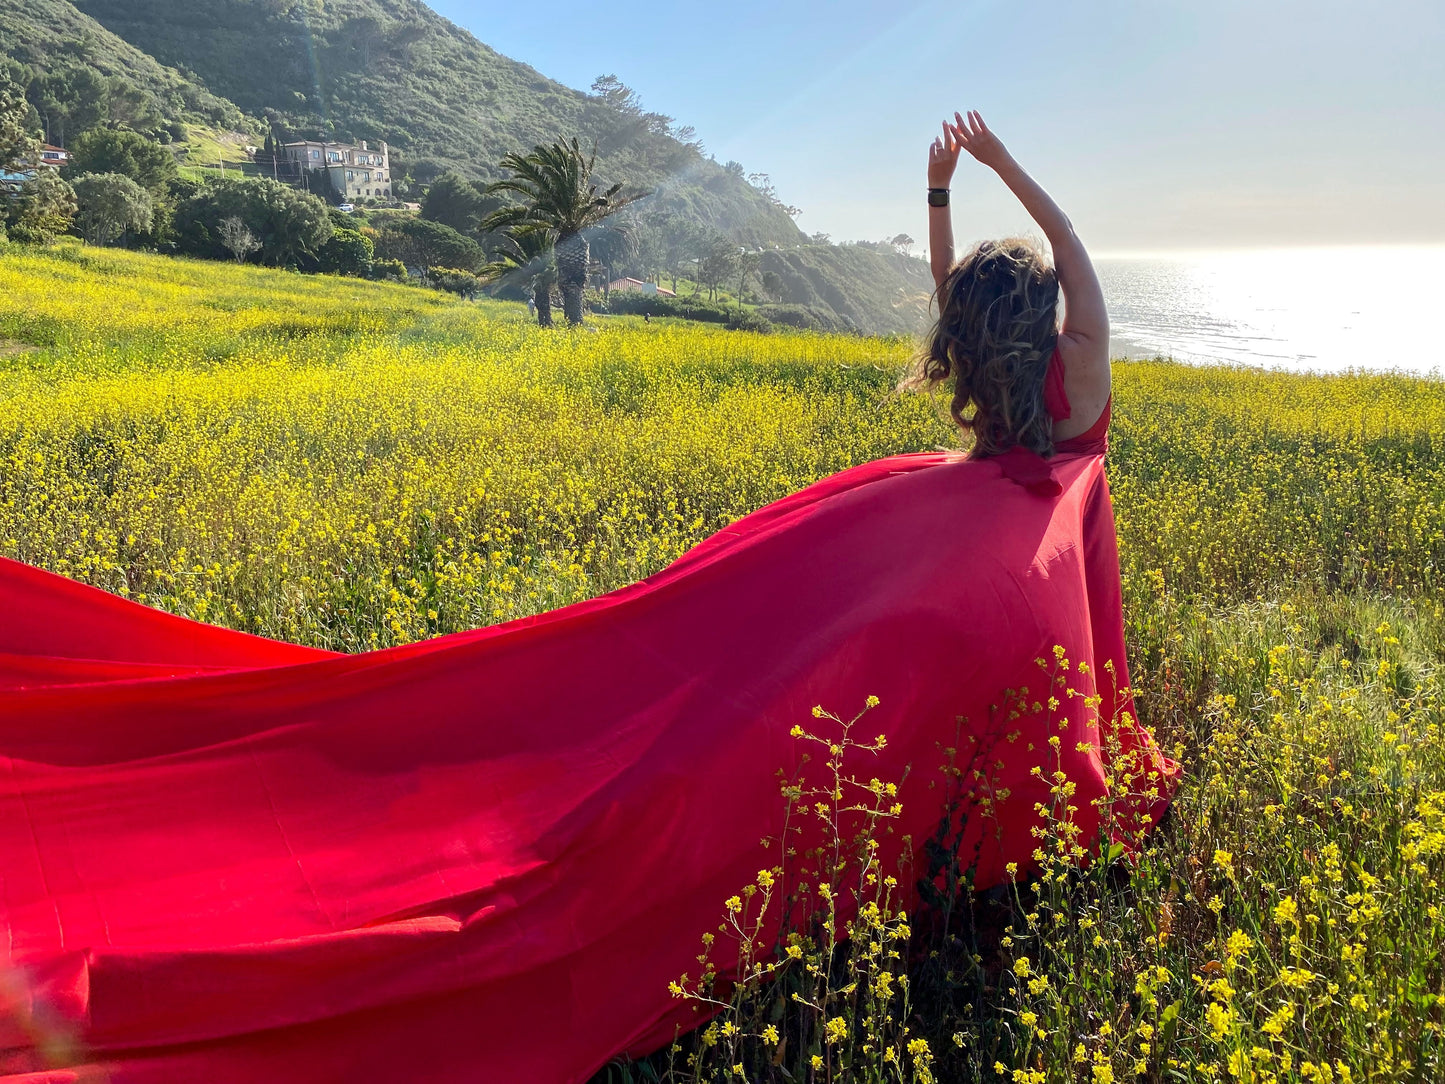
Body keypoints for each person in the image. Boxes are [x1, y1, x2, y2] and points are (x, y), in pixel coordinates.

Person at [919, 110, 1112, 458]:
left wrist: (939, 187)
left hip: (988, 495)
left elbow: (942, 273)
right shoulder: (1083, 352)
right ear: (1043, 294)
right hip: (1072, 509)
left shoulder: (980, 356)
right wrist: (1000, 160)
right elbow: (1064, 235)